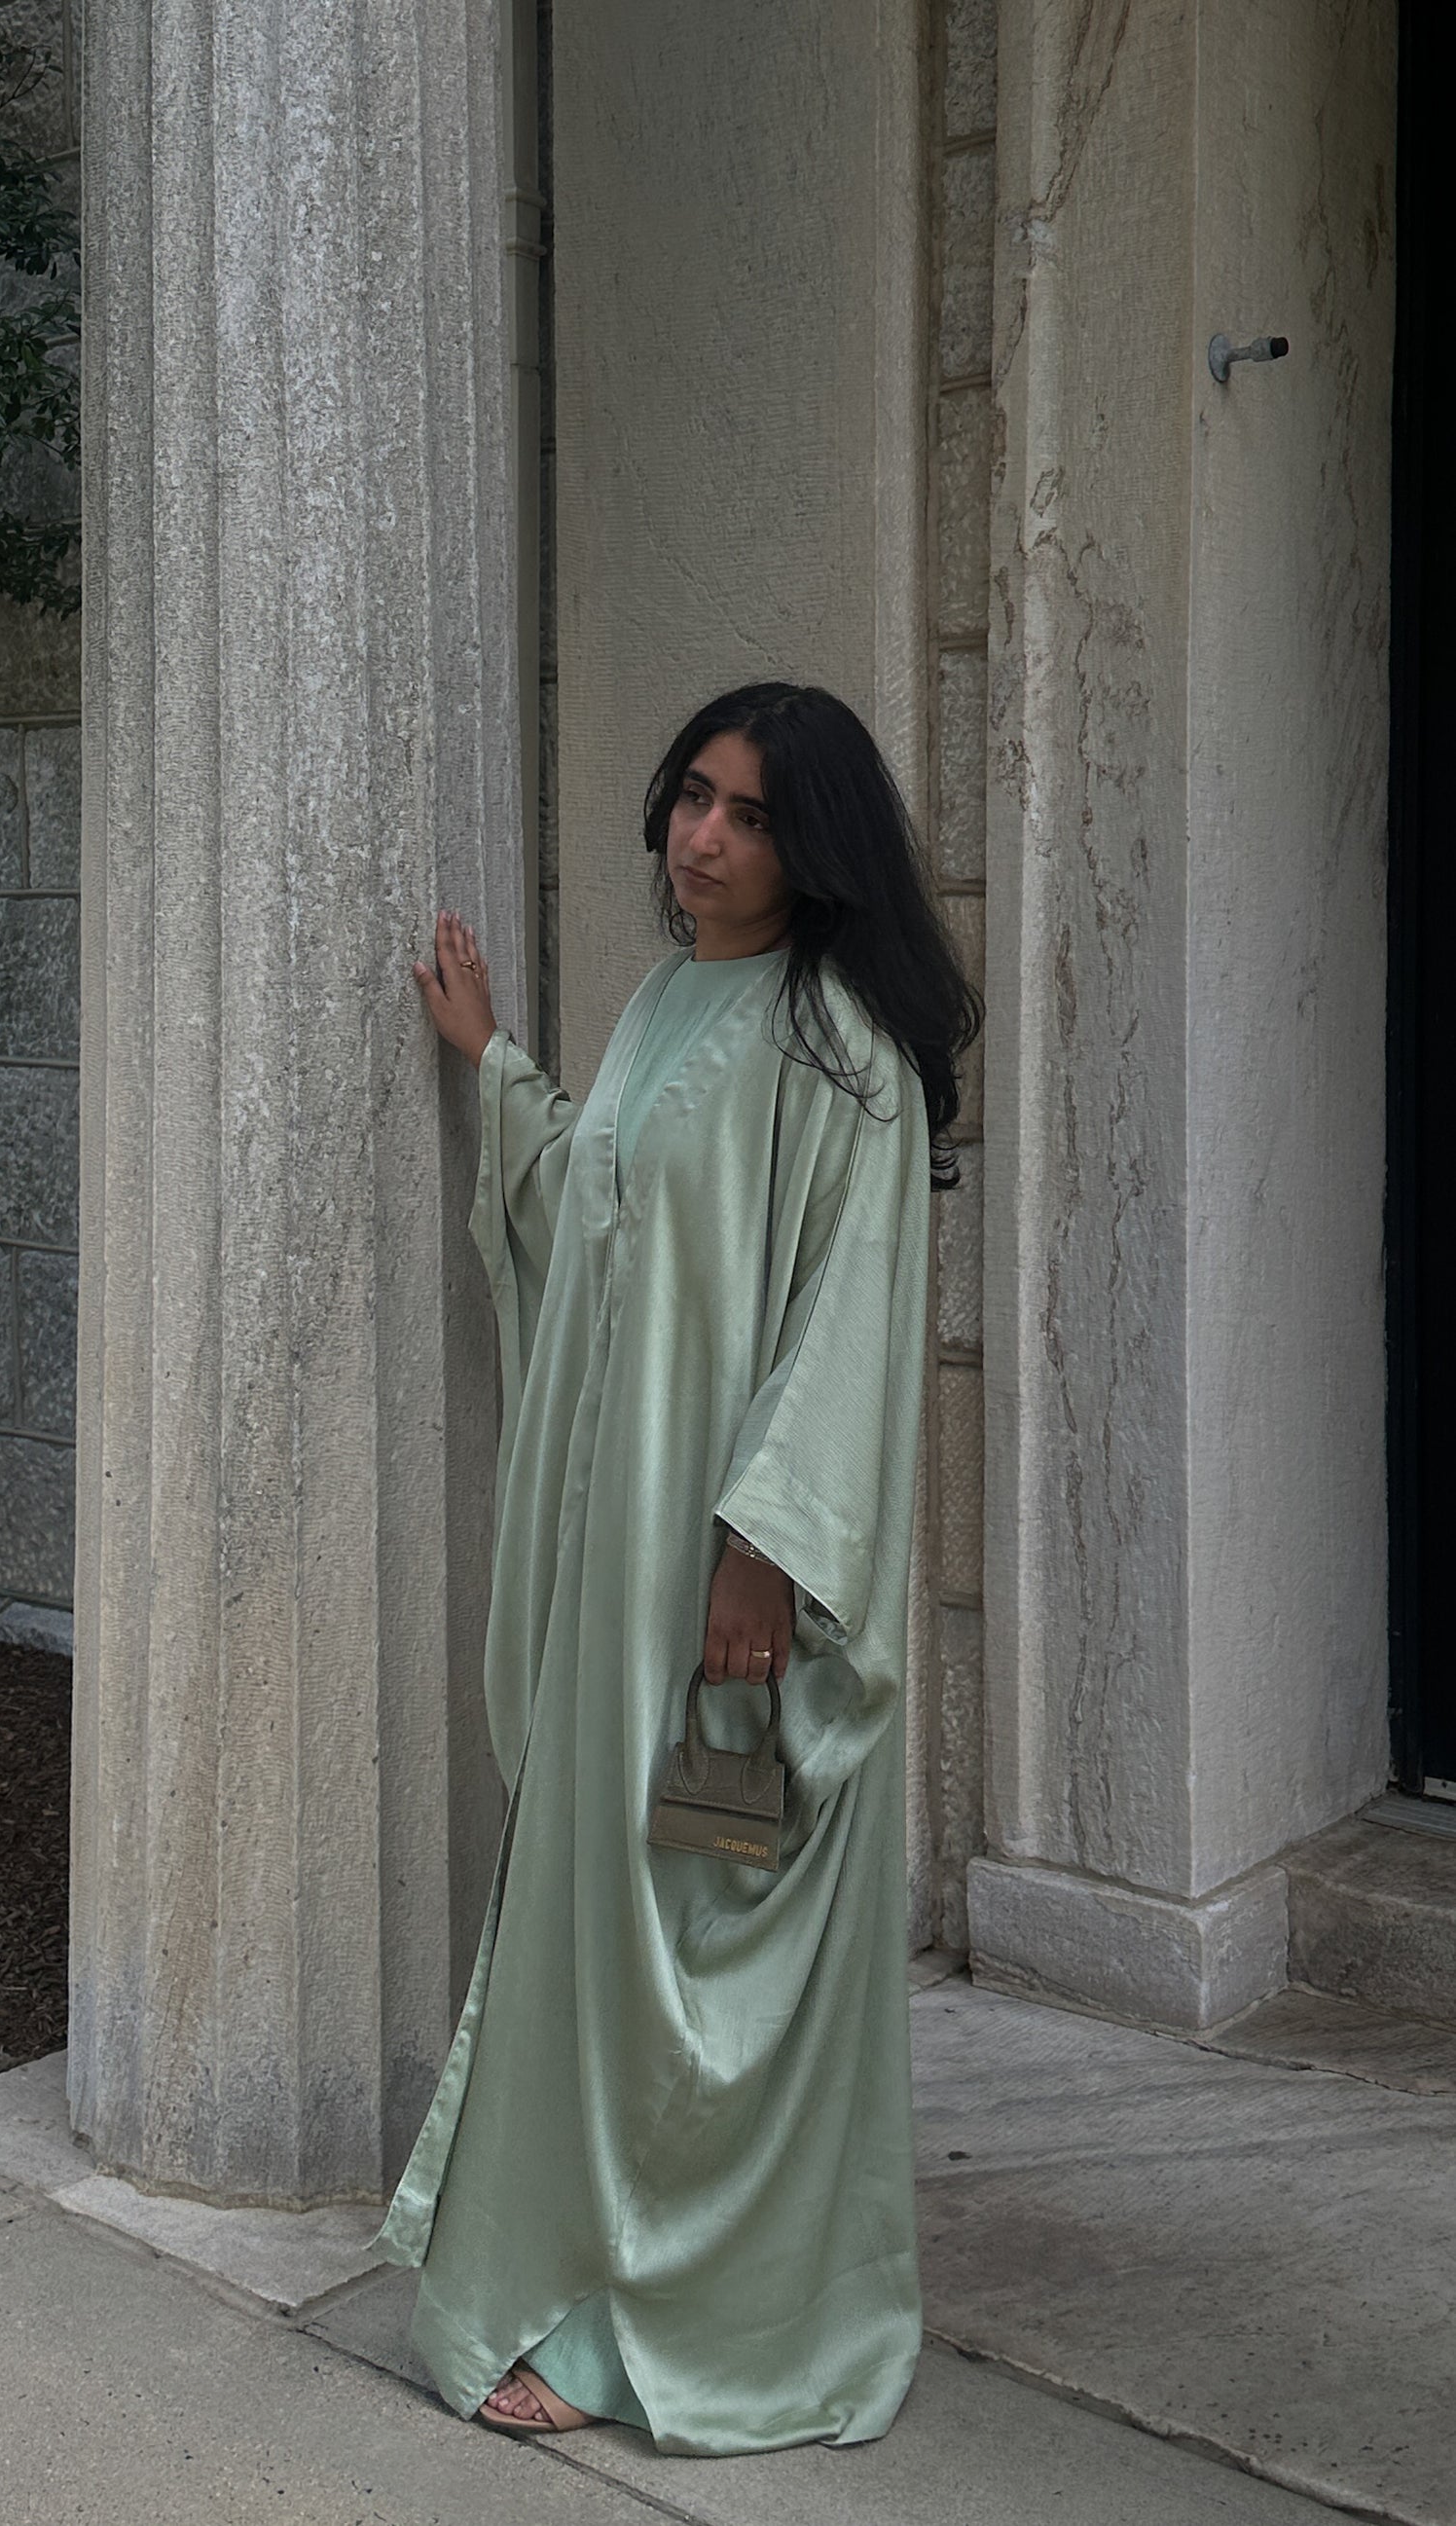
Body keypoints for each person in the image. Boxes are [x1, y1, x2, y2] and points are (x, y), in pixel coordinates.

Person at [377, 680, 980, 2455]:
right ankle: (582, 2276)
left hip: (729, 1582)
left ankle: (681, 2333)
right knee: (609, 1927)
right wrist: (496, 1068)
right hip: (616, 1550)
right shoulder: (663, 1005)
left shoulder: (842, 1054)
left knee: (707, 1937)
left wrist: (760, 1560)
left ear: (818, 848)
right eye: (689, 800)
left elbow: (845, 1327)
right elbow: (600, 1222)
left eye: (748, 814)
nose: (700, 839)